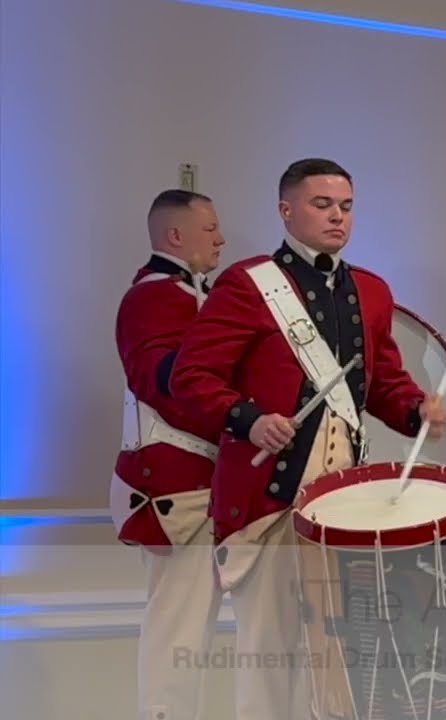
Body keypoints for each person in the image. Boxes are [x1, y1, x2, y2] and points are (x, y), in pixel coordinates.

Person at [168, 158, 446, 719]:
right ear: (286, 210)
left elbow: (382, 381)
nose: (338, 217)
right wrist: (248, 419)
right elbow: (190, 377)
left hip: (344, 503)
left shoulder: (370, 290)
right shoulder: (249, 284)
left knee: (340, 656)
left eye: (346, 206)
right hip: (268, 496)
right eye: (322, 205)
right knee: (270, 654)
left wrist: (417, 408)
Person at [110, 189, 226, 720]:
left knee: (188, 625)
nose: (221, 239)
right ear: (175, 236)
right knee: (177, 627)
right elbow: (172, 386)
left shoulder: (184, 296)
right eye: (210, 229)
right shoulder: (156, 297)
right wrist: (247, 416)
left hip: (192, 483)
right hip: (175, 484)